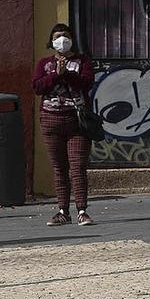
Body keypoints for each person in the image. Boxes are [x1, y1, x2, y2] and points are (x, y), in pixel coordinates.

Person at [32, 22, 95, 226]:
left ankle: (82, 210)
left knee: (77, 167)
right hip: (51, 120)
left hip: (77, 121)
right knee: (59, 168)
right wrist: (55, 75)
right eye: (58, 36)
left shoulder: (82, 61)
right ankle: (62, 210)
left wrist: (66, 74)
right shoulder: (44, 63)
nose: (62, 39)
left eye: (66, 35)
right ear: (51, 41)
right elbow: (37, 87)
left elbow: (86, 82)